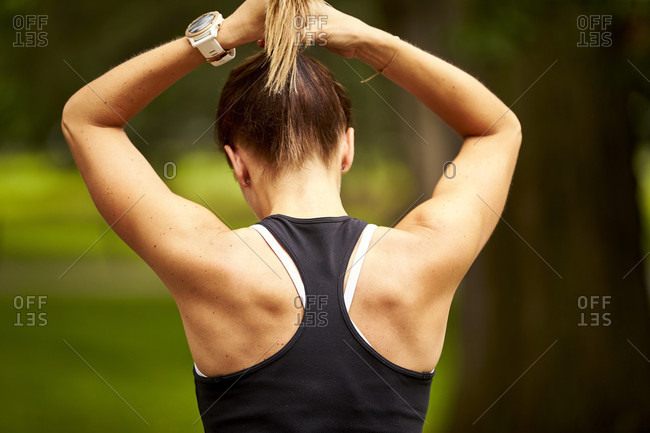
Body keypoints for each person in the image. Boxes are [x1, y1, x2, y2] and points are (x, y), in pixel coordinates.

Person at [61, 0, 522, 431]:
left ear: (237, 163)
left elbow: (87, 118)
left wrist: (222, 35)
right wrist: (363, 39)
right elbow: (495, 129)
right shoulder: (423, 257)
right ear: (347, 148)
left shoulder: (207, 259)